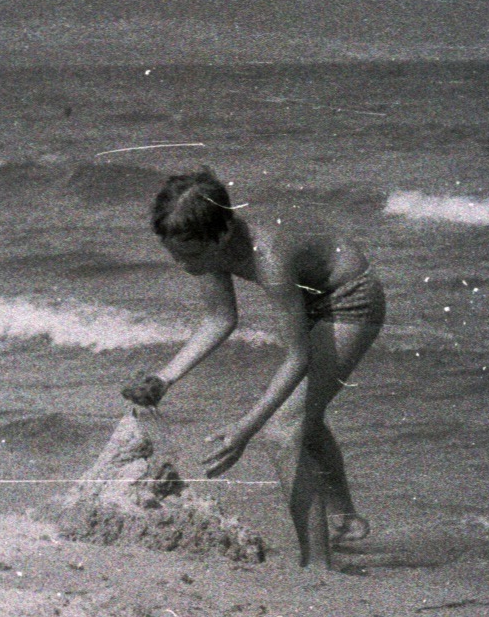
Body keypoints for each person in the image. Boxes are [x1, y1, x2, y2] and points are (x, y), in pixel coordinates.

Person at [123, 169, 385, 569]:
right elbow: (219, 319)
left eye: (189, 255)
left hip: (351, 301)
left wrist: (245, 428)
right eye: (173, 252)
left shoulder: (269, 258)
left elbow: (297, 358)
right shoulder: (210, 245)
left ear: (223, 233)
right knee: (302, 418)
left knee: (282, 430)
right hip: (312, 297)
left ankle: (318, 568)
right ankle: (347, 522)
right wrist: (165, 378)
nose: (180, 263)